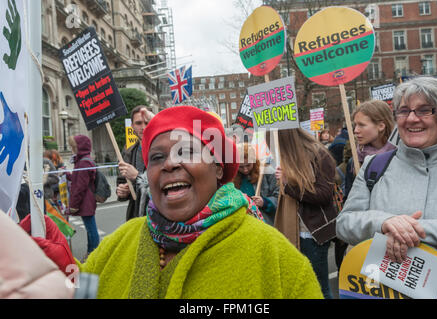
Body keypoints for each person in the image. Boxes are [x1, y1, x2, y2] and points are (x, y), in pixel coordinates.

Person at [73, 106, 323, 299]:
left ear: (217, 168)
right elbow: (78, 289)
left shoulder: (275, 256)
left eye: (186, 151)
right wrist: (57, 267)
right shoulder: (120, 241)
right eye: (157, 157)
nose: (169, 163)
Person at [337, 76, 437, 263]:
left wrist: (410, 231)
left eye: (424, 110)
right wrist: (383, 223)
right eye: (404, 111)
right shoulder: (375, 165)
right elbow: (344, 223)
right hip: (383, 289)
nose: (412, 119)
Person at [274, 128, 337, 299]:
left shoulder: (319, 155)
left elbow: (324, 195)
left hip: (312, 233)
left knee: (319, 287)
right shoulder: (288, 157)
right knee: (302, 287)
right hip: (294, 232)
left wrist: (289, 185)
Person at [344, 100, 396, 198]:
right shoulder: (354, 162)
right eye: (355, 125)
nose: (356, 130)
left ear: (381, 126)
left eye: (362, 125)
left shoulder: (400, 156)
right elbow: (348, 201)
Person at [116, 105, 153, 221]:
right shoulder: (128, 152)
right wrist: (122, 191)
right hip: (136, 216)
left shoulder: (164, 149)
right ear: (132, 126)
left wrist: (137, 177)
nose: (143, 127)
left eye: (147, 123)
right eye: (138, 123)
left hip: (158, 217)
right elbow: (121, 182)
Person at [67, 135, 100, 257]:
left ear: (79, 147)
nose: (71, 149)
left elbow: (79, 187)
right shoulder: (85, 160)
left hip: (85, 200)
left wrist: (74, 205)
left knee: (91, 229)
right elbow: (78, 179)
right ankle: (91, 252)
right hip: (88, 199)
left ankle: (93, 254)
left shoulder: (83, 162)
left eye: (73, 146)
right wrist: (67, 174)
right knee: (90, 228)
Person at [233, 143, 279, 225]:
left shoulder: (267, 171)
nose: (245, 170)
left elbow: (279, 197)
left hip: (265, 223)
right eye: (241, 167)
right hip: (242, 223)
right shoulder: (232, 177)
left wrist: (264, 202)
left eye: (248, 165)